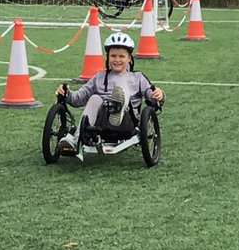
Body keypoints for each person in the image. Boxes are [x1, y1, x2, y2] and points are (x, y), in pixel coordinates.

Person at [57, 32, 164, 160]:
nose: (117, 60)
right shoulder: (99, 77)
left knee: (121, 90)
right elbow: (79, 98)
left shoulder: (137, 77)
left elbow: (152, 98)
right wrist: (66, 94)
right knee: (94, 98)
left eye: (121, 56)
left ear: (129, 58)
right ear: (107, 57)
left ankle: (118, 107)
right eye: (113, 56)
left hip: (127, 121)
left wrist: (159, 95)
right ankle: (76, 140)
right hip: (101, 121)